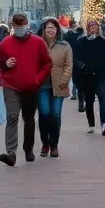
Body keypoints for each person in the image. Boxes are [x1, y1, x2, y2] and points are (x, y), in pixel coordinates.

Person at [0, 11, 52, 165]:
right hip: (11, 86)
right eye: (16, 26)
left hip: (31, 87)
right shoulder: (6, 42)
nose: (19, 28)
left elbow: (47, 64)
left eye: (22, 25)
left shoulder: (38, 42)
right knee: (12, 117)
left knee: (29, 119)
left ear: (27, 25)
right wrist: (3, 72)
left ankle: (28, 148)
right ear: (13, 26)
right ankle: (11, 152)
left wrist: (37, 79)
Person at [37, 18, 73, 157]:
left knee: (55, 114)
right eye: (48, 27)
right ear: (43, 29)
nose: (50, 30)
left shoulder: (64, 46)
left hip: (59, 84)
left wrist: (64, 80)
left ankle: (54, 144)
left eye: (53, 27)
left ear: (57, 30)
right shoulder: (37, 44)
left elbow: (68, 65)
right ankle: (45, 142)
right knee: (44, 113)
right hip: (42, 85)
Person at [72, 19, 105, 135]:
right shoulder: (81, 42)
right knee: (89, 100)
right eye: (90, 26)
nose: (93, 28)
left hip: (101, 74)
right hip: (86, 75)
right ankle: (91, 124)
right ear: (87, 28)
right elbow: (76, 58)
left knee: (102, 97)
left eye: (95, 26)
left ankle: (104, 125)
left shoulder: (102, 42)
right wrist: (83, 67)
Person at [62, 21, 81, 101]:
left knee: (72, 75)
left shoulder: (67, 35)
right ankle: (78, 93)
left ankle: (74, 93)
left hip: (71, 57)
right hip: (78, 58)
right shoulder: (81, 35)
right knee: (77, 76)